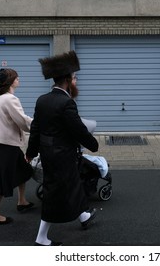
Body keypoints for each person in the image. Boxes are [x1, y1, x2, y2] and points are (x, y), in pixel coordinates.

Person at [26, 51, 99, 246]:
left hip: (49, 154)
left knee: (73, 186)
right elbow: (78, 129)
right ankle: (41, 237)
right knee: (55, 194)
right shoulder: (66, 102)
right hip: (62, 157)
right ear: (67, 80)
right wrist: (93, 144)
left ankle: (83, 216)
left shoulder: (42, 99)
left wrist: (30, 152)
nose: (75, 82)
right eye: (74, 78)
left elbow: (35, 129)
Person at [0, 68, 34, 225]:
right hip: (7, 146)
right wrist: (39, 124)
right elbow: (22, 121)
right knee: (3, 180)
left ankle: (22, 201)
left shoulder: (0, 97)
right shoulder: (9, 99)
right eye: (15, 77)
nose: (18, 78)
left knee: (24, 171)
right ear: (9, 81)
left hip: (6, 144)